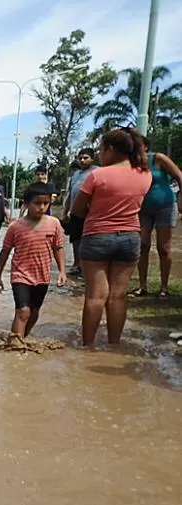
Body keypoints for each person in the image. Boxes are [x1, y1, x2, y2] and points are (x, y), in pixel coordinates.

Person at [70, 128, 152, 347]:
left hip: (97, 235)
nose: (100, 155)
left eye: (101, 150)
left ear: (111, 149)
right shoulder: (145, 174)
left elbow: (76, 210)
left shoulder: (97, 175)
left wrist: (96, 211)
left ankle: (88, 347)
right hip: (130, 238)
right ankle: (114, 345)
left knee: (95, 296)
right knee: (117, 296)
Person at [0, 183, 67, 343]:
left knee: (34, 312)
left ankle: (19, 338)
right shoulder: (15, 227)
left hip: (42, 276)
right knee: (23, 311)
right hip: (20, 275)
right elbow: (5, 251)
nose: (41, 207)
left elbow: (58, 247)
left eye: (45, 203)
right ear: (26, 203)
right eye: (37, 203)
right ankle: (15, 347)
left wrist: (62, 271)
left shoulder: (54, 223)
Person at [130, 136, 182, 298]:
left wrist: (181, 202)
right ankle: (142, 286)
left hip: (165, 206)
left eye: (136, 145)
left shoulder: (158, 158)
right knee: (142, 246)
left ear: (145, 146)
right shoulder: (131, 164)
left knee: (163, 248)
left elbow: (180, 176)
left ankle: (164, 287)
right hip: (143, 209)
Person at [62, 149, 96, 276]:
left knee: (89, 239)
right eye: (80, 158)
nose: (82, 160)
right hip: (75, 212)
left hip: (91, 213)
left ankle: (88, 265)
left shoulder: (97, 172)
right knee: (75, 239)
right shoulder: (75, 175)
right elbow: (70, 194)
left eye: (85, 158)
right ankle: (77, 264)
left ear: (92, 159)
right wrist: (65, 212)